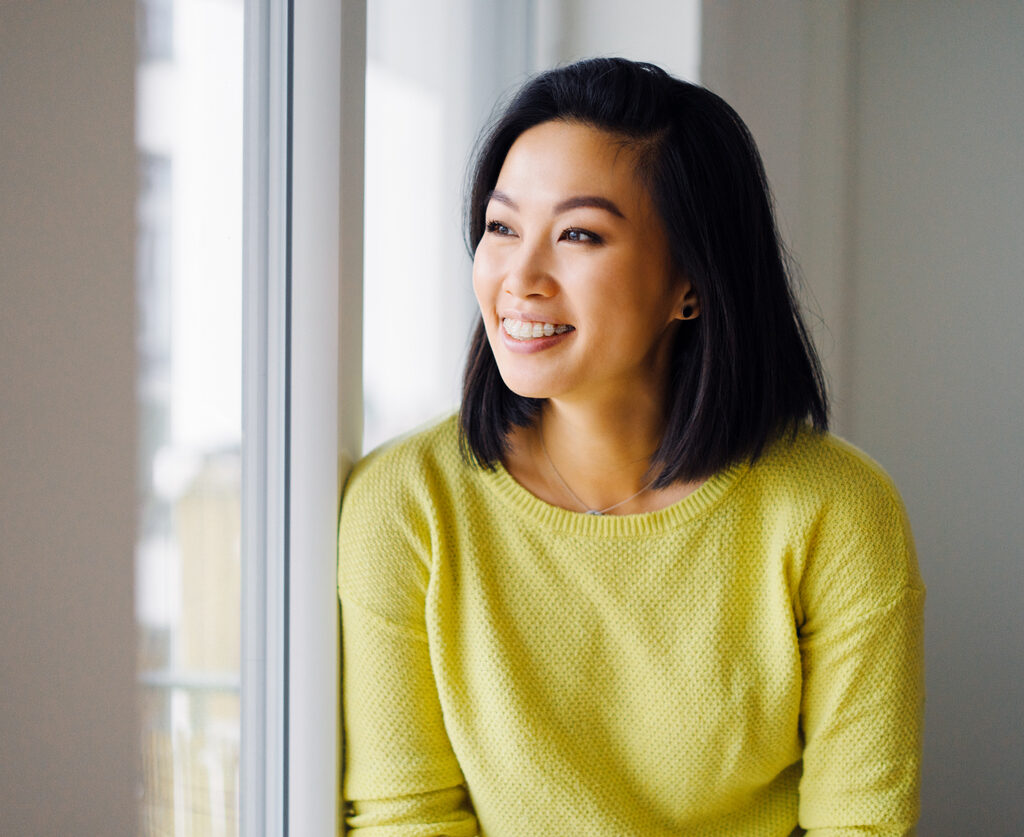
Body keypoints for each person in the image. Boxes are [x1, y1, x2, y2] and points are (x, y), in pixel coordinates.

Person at [338, 57, 924, 836]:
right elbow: (404, 818)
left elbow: (861, 824)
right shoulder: (407, 503)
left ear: (691, 281)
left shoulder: (838, 510)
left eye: (579, 234)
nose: (520, 276)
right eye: (502, 227)